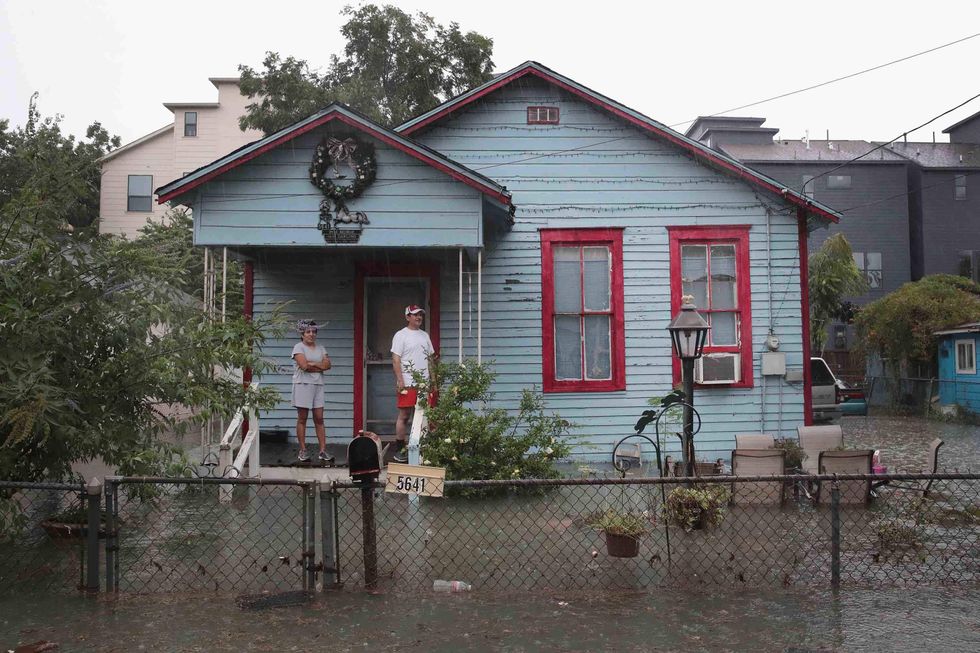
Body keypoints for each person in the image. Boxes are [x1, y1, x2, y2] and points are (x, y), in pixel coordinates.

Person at [390, 305, 434, 463]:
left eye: (420, 315)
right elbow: (396, 359)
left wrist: (434, 381)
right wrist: (400, 380)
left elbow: (430, 360)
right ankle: (400, 449)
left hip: (424, 383)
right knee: (404, 416)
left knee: (425, 416)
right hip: (408, 382)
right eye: (415, 315)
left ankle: (423, 449)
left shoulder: (425, 336)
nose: (418, 317)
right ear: (408, 317)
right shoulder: (401, 335)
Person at [292, 320, 333, 463]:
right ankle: (303, 450)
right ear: (302, 334)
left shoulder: (321, 348)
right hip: (303, 384)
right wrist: (319, 366)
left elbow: (328, 365)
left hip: (318, 385)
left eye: (314, 332)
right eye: (308, 332)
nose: (311, 334)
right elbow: (304, 366)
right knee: (303, 417)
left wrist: (314, 364)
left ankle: (322, 451)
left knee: (319, 418)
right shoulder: (299, 347)